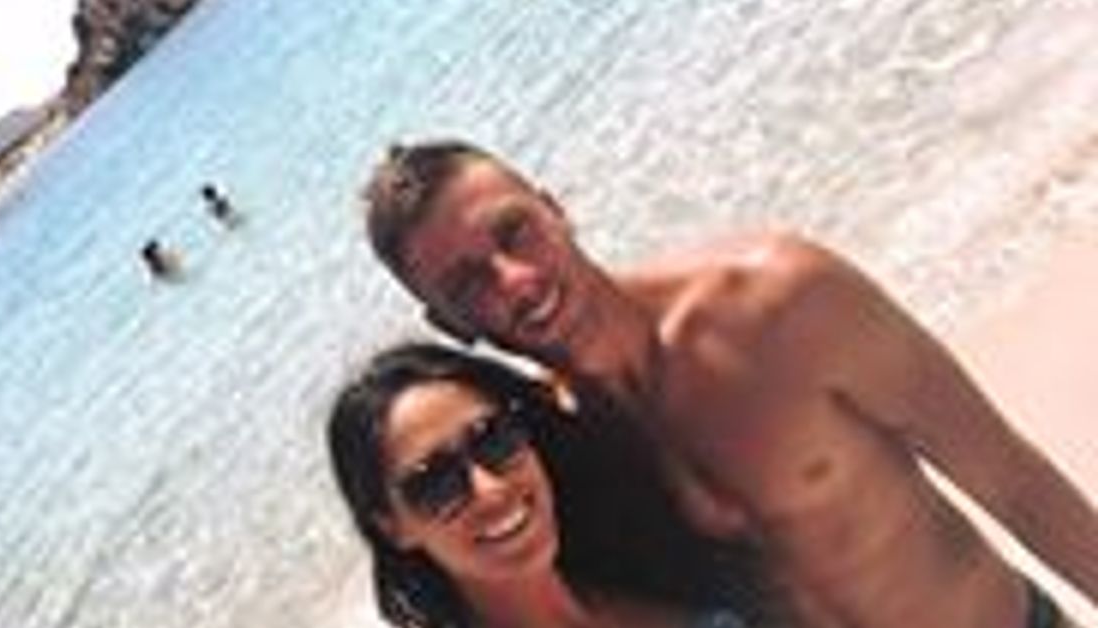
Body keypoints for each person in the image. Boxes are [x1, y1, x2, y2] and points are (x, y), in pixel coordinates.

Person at [360, 140, 1098, 627]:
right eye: (469, 282)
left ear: (555, 208)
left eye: (514, 232)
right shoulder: (557, 459)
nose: (514, 280)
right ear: (449, 323)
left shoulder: (775, 300)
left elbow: (1011, 479)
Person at [328, 342, 772, 627]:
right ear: (392, 527)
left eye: (493, 439)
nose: (489, 489)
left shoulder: (646, 560)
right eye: (434, 483)